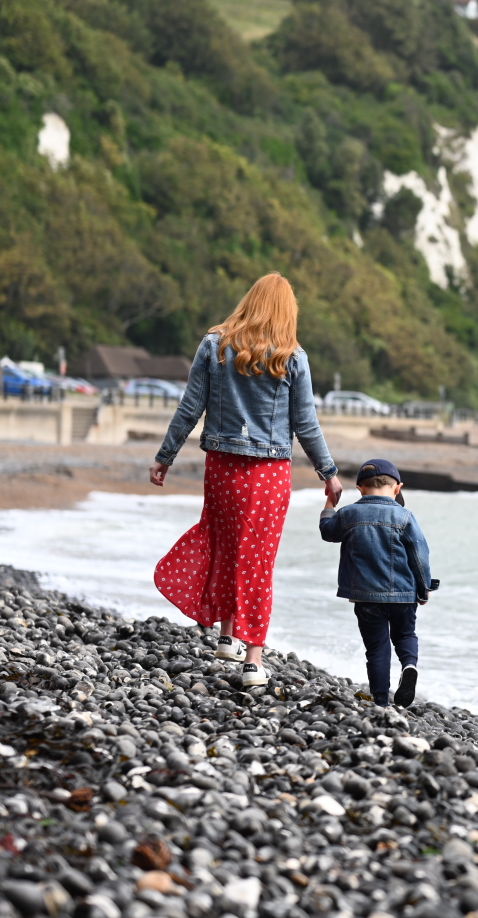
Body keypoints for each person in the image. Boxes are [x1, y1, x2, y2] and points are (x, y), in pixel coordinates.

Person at [149, 273, 343, 687]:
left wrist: (164, 457)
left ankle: (226, 636)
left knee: (224, 544)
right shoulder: (292, 356)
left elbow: (190, 408)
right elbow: (305, 424)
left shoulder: (214, 344)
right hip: (269, 474)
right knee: (257, 559)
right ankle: (253, 658)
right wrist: (329, 473)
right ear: (287, 311)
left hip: (221, 466)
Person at [320, 458, 437, 706]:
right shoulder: (405, 516)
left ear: (360, 489)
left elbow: (327, 532)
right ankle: (409, 665)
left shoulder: (349, 514)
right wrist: (423, 588)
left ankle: (381, 701)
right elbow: (420, 556)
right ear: (398, 488)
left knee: (376, 648)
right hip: (403, 593)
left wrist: (330, 501)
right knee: (405, 634)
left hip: (366, 596)